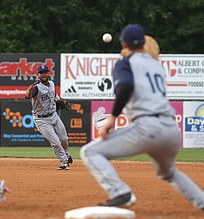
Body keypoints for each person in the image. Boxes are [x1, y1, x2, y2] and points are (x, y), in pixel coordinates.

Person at [80, 24, 204, 209]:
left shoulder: (125, 63)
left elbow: (126, 86)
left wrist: (113, 117)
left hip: (148, 127)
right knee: (168, 172)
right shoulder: (156, 66)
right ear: (144, 43)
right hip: (171, 130)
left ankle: (120, 192)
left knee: (90, 152)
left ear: (123, 43)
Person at [25, 65, 73, 170]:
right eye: (41, 73)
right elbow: (28, 96)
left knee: (64, 139)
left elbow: (54, 96)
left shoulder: (51, 84)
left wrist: (62, 101)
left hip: (54, 115)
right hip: (41, 119)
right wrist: (29, 90)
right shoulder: (36, 87)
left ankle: (66, 154)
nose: (44, 74)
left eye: (46, 72)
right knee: (55, 141)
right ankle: (64, 162)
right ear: (38, 75)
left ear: (48, 73)